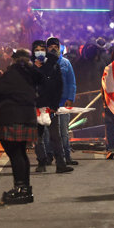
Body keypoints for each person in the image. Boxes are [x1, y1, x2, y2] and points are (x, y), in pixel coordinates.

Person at [0, 49, 41, 204]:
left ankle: (20, 189)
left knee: (15, 155)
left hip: (12, 118)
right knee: (21, 154)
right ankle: (25, 188)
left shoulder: (14, 73)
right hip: (27, 117)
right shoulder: (28, 74)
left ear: (14, 60)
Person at [31, 39, 72, 173]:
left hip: (50, 107)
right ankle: (41, 162)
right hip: (35, 108)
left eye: (42, 49)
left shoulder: (54, 65)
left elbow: (59, 86)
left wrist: (54, 105)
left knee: (55, 136)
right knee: (37, 138)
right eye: (37, 50)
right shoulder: (29, 67)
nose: (39, 52)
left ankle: (60, 163)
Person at [47, 37, 78, 165]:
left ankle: (67, 156)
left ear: (60, 47)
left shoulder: (66, 63)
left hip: (63, 102)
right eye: (50, 46)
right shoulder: (44, 63)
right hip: (48, 103)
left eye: (56, 46)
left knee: (64, 131)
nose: (53, 48)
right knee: (48, 132)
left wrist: (71, 98)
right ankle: (49, 156)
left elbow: (72, 82)